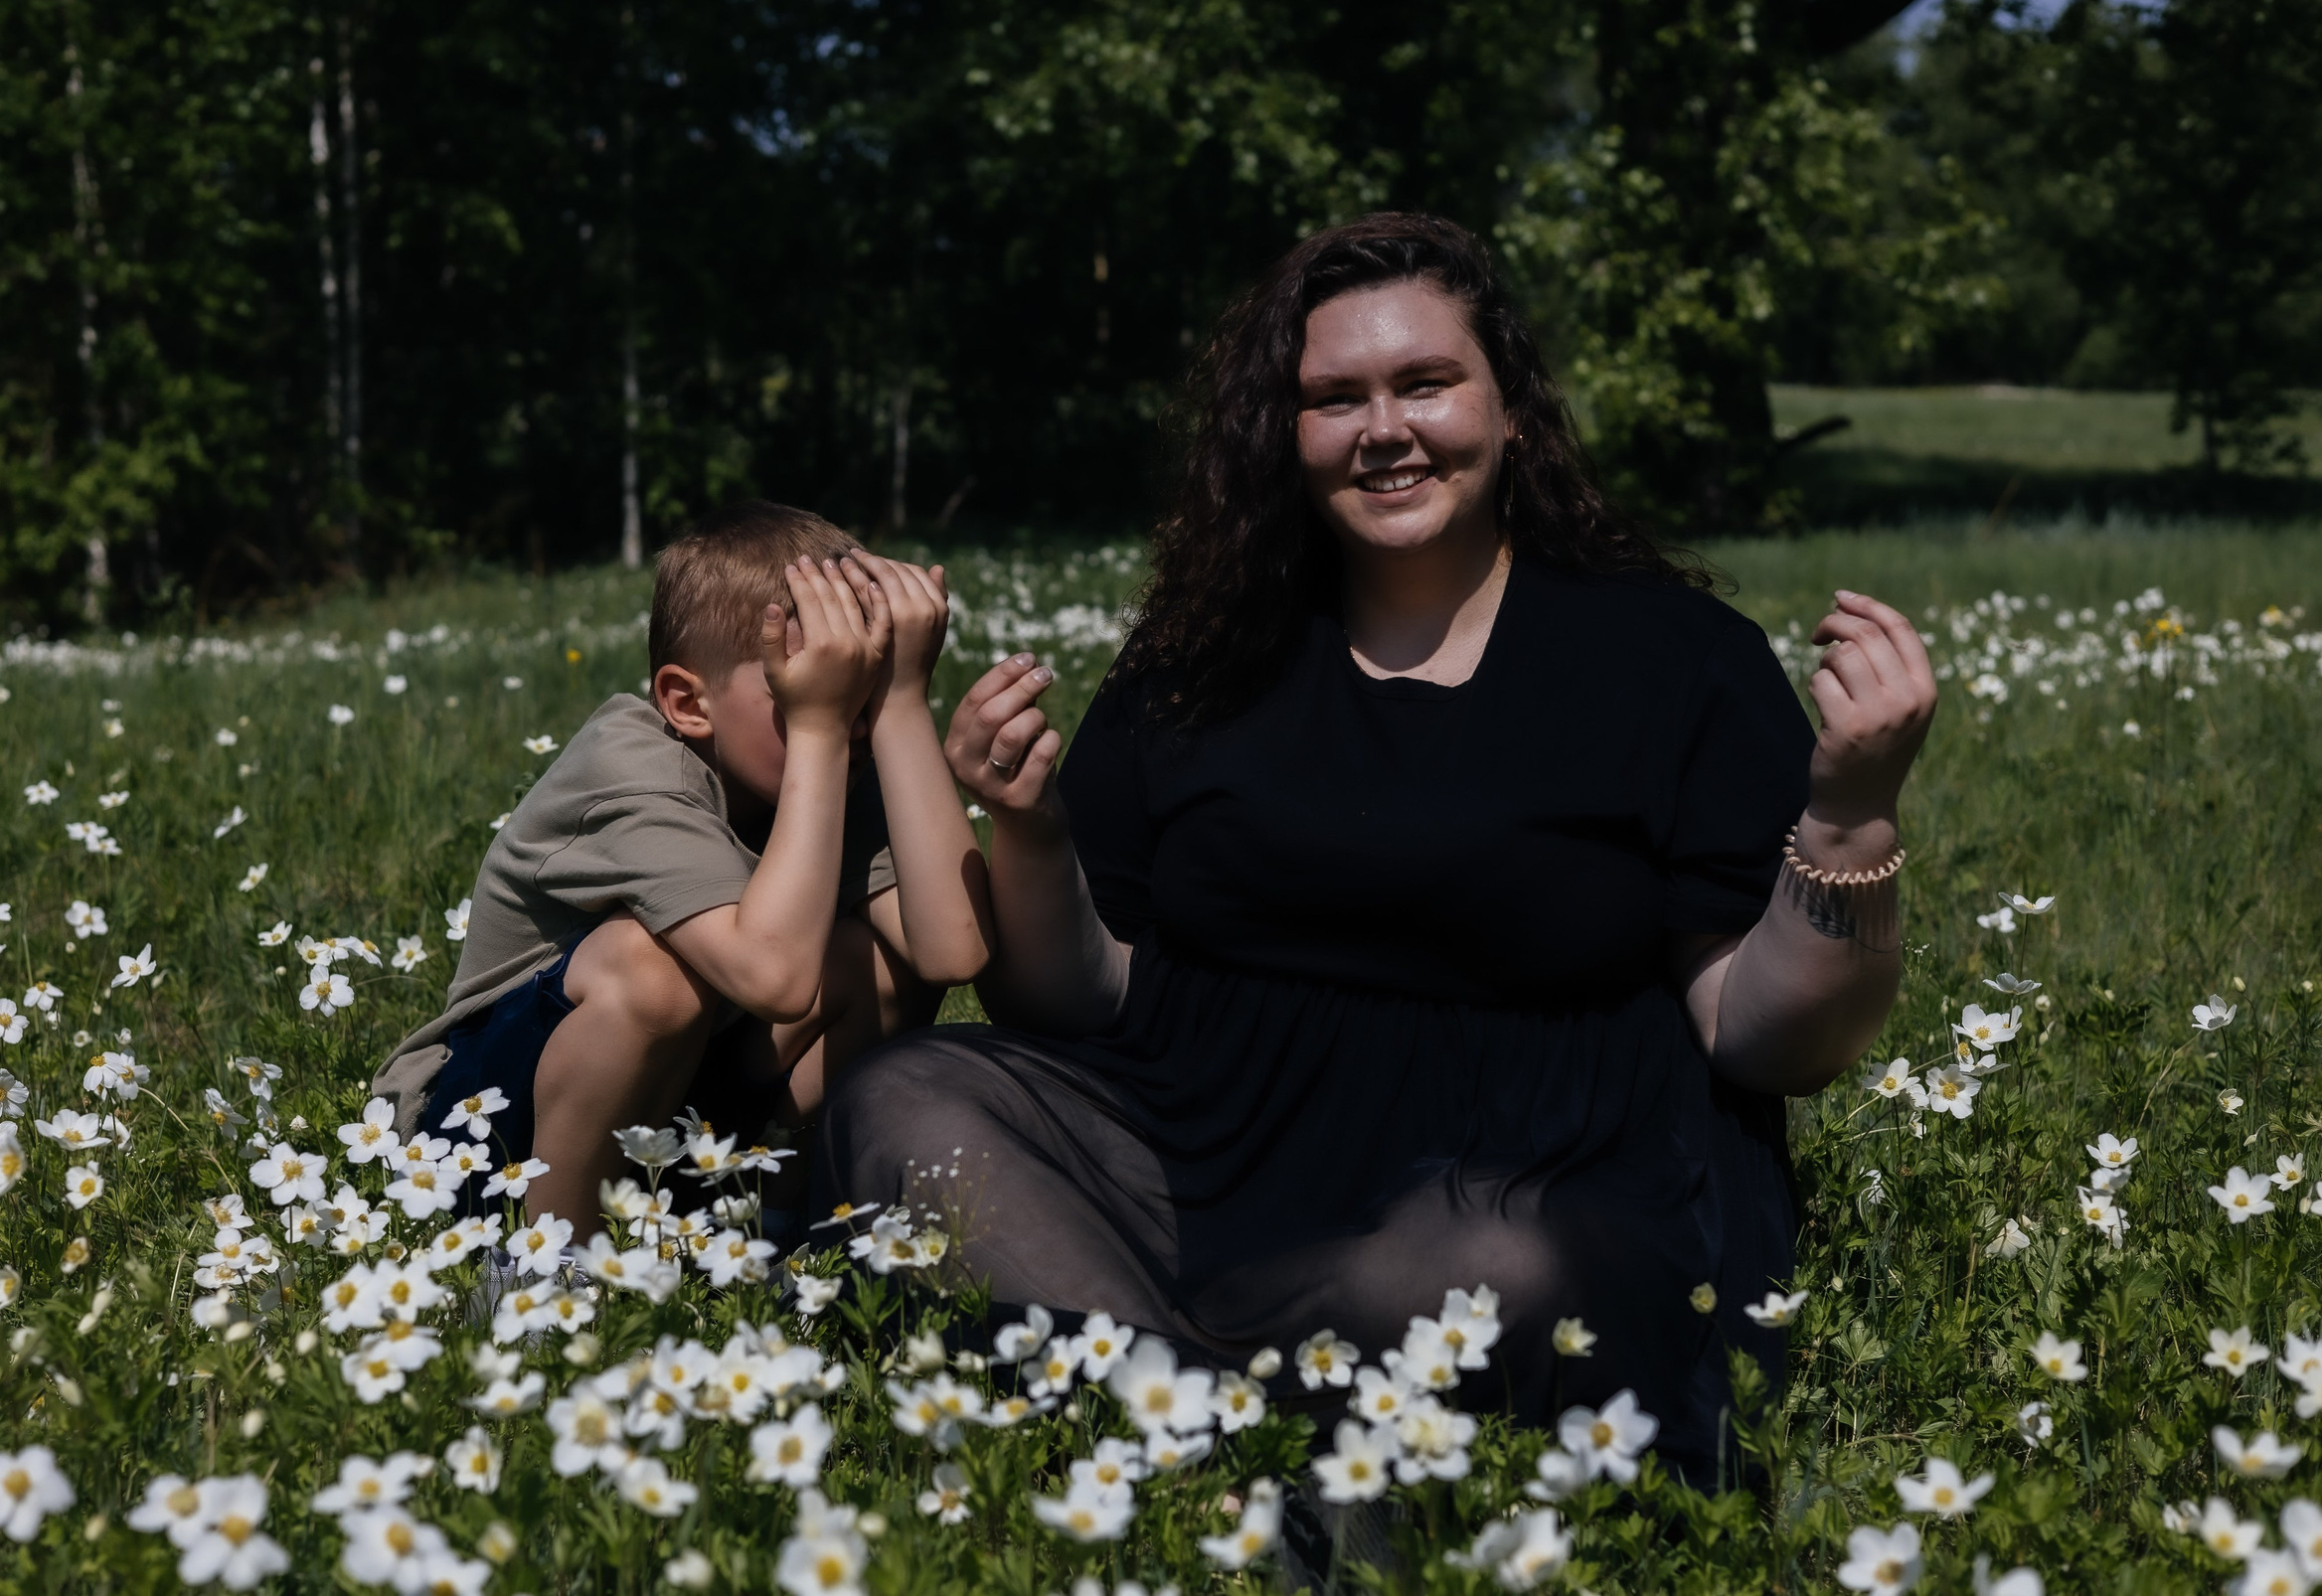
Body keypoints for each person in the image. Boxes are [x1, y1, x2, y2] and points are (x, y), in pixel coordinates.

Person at [820, 214, 1935, 1486]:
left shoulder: (1670, 659)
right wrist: (1028, 827)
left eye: (1424, 383)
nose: (1382, 428)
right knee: (906, 1096)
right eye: (1332, 397)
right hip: (1206, 1142)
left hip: (1535, 1169)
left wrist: (1850, 817)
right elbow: (1078, 992)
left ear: (1508, 407)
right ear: (1281, 434)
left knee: (1488, 1268)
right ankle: (1257, 1423)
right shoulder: (1206, 655)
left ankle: (1163, 1407)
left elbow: (1768, 1042)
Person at [373, 501, 992, 1238]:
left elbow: (950, 951)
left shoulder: (842, 755)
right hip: (486, 1137)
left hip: (671, 1117)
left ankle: (780, 1230)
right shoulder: (628, 766)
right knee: (652, 967)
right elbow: (776, 978)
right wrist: (823, 730)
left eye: (862, 687)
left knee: (888, 959)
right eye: (801, 689)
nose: (846, 718)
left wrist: (902, 704)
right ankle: (546, 1272)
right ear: (687, 702)